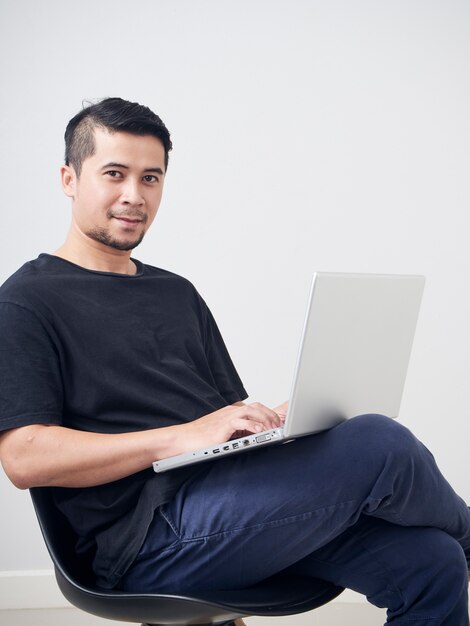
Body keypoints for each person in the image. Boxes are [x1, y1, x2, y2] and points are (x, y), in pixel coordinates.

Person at [0, 97, 469, 626]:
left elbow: (225, 424)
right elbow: (25, 457)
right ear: (69, 178)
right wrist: (180, 436)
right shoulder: (26, 301)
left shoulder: (176, 293)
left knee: (433, 563)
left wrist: (286, 424)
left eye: (151, 178)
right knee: (380, 442)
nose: (134, 196)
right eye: (115, 174)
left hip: (230, 509)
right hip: (145, 538)